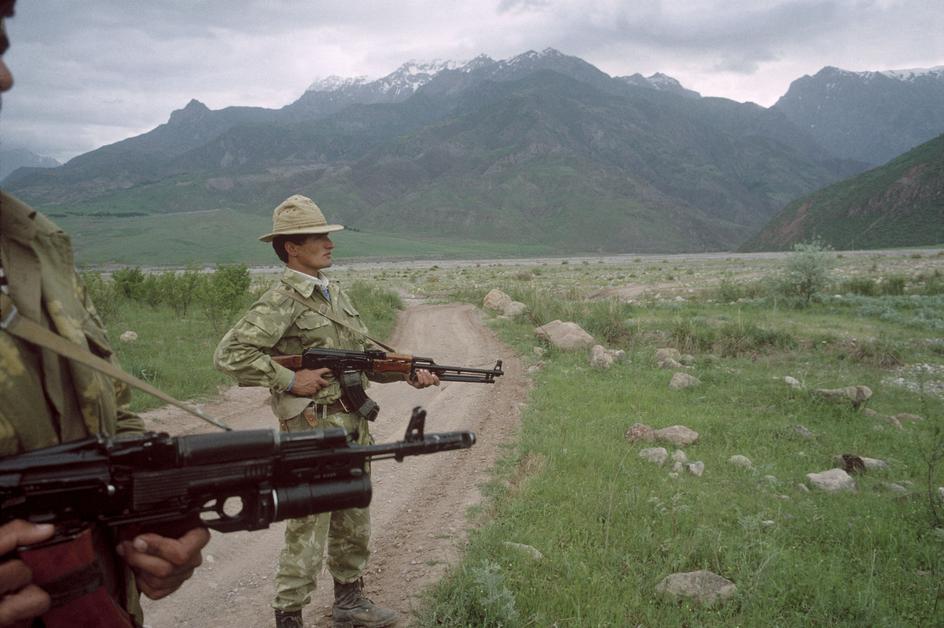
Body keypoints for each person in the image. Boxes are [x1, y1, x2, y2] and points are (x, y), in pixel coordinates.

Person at [0, 2, 209, 626]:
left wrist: (157, 529)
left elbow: (111, 419)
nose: (6, 77)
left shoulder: (38, 249)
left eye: (4, 42)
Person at [214, 194, 439, 628]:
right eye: (316, 237)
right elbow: (230, 355)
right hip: (311, 426)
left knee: (354, 510)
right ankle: (290, 616)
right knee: (308, 518)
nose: (329, 243)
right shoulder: (282, 299)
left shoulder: (332, 294)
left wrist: (407, 372)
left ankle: (350, 602)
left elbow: (358, 361)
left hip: (352, 422)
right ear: (290, 248)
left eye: (327, 236)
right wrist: (288, 380)